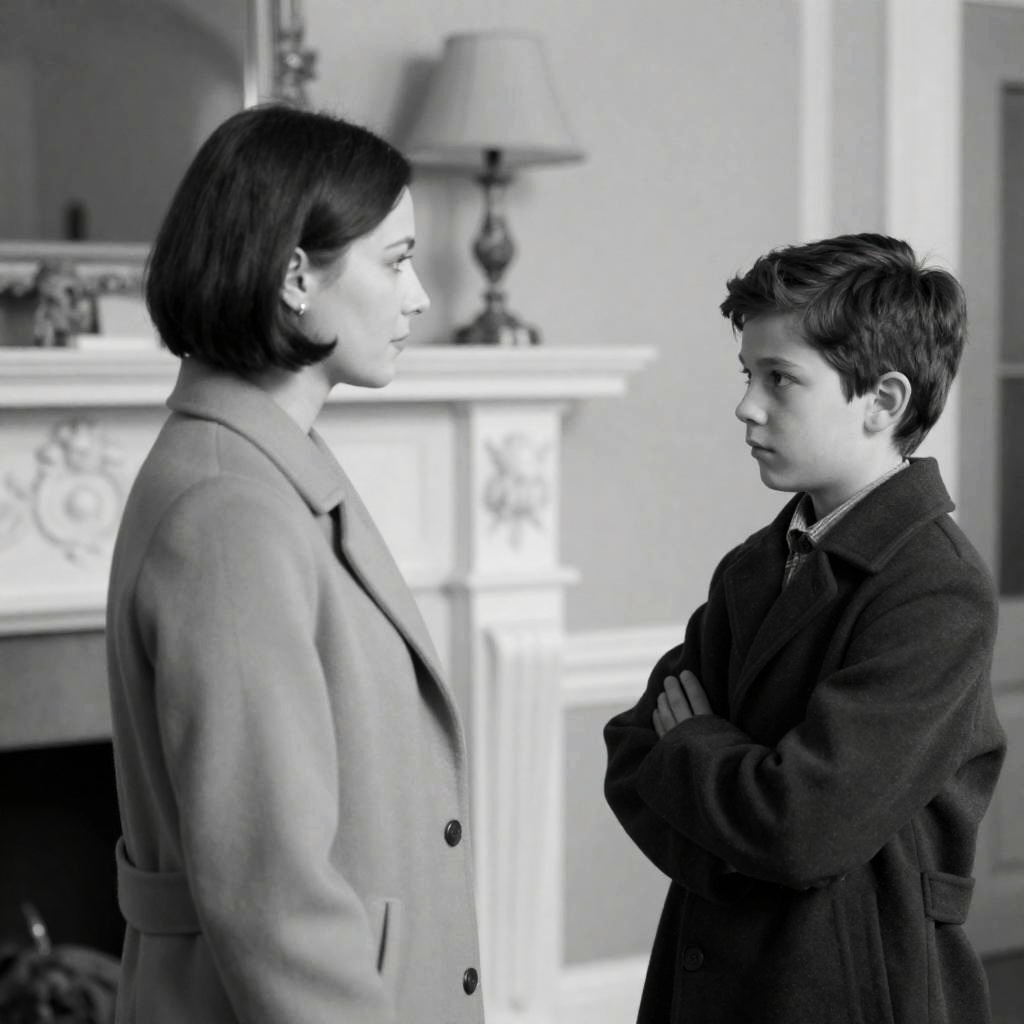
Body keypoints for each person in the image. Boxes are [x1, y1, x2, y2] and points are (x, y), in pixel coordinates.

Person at [105, 104, 483, 1024]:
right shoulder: (229, 513)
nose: (419, 297)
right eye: (395, 261)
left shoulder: (266, 467)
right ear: (296, 275)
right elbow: (272, 893)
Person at [604, 233, 1006, 1024]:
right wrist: (751, 856)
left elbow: (801, 828)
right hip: (714, 978)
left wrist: (699, 747)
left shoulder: (938, 588)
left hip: (856, 989)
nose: (746, 406)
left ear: (883, 402)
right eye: (747, 375)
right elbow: (631, 755)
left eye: (779, 378)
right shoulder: (755, 565)